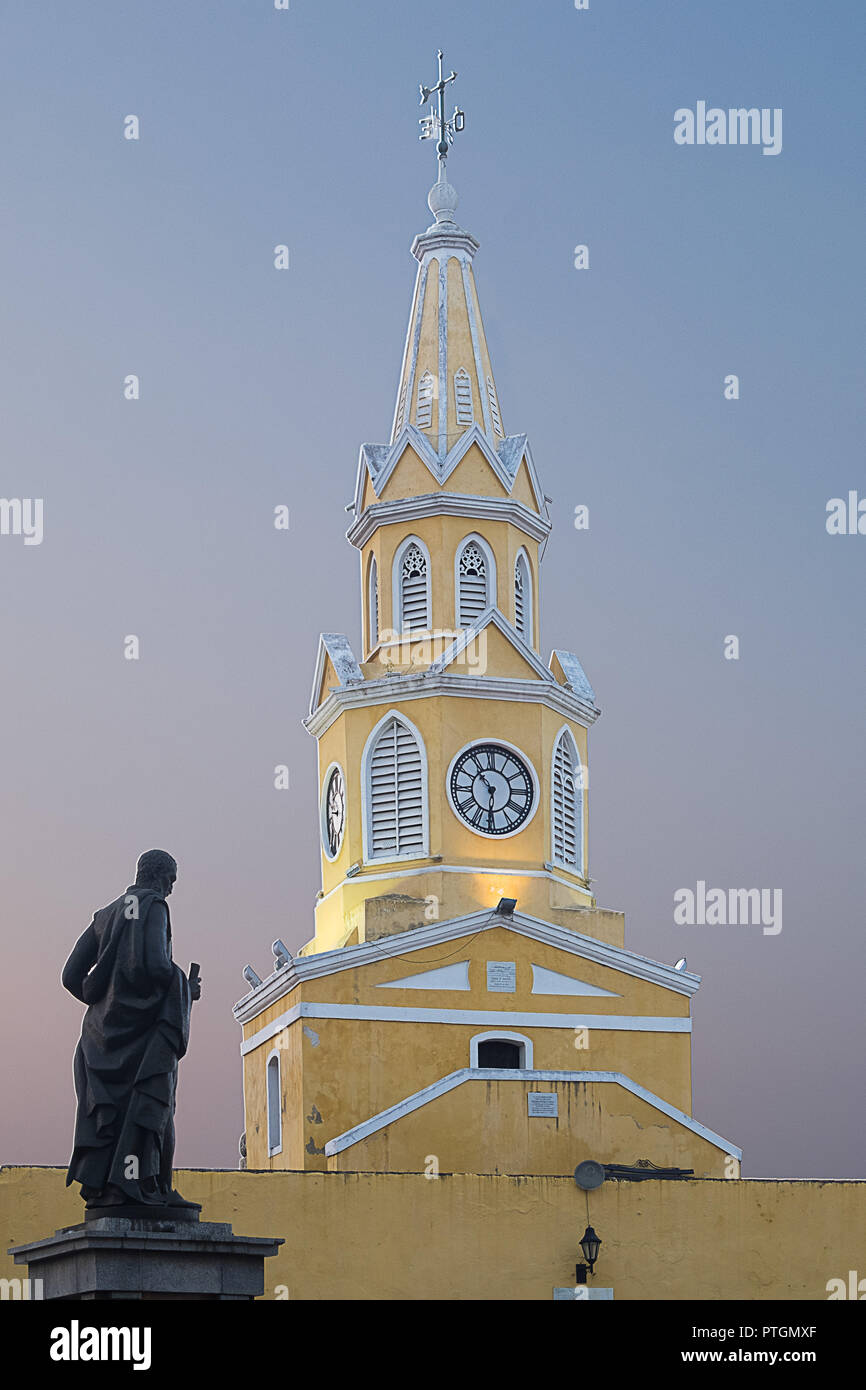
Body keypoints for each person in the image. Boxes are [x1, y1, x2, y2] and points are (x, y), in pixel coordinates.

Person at [62, 849, 201, 1208]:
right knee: (156, 1105)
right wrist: (184, 986)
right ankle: (154, 1187)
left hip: (99, 1039)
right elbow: (156, 965)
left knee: (113, 1115)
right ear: (160, 877)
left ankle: (109, 1188)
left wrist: (103, 1002)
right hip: (144, 1038)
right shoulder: (153, 906)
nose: (170, 890)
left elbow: (69, 976)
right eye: (171, 882)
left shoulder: (106, 914)